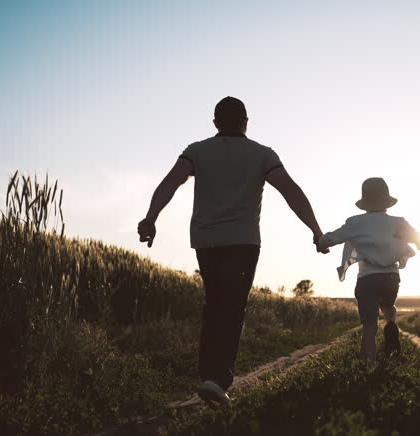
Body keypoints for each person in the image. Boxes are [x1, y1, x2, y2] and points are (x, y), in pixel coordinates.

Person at [137, 96, 328, 406]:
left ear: (215, 123)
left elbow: (170, 183)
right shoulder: (262, 154)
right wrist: (315, 230)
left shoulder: (197, 151)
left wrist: (151, 217)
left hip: (206, 241)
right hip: (243, 241)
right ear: (246, 122)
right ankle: (217, 380)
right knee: (232, 307)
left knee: (214, 304)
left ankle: (208, 377)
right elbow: (291, 191)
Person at [318, 177, 420, 365]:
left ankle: (369, 361)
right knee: (388, 305)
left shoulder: (355, 222)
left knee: (370, 323)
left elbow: (333, 237)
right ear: (387, 202)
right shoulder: (398, 222)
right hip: (391, 279)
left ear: (364, 204)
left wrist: (321, 242)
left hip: (367, 279)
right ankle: (391, 325)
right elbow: (419, 238)